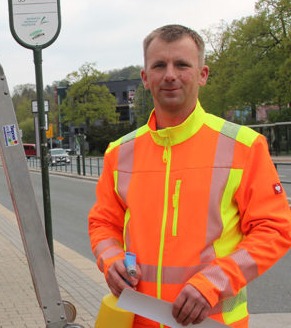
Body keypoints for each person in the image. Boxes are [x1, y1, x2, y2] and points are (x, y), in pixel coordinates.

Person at [88, 24, 291, 327]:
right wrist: (111, 259)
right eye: (159, 65)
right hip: (137, 320)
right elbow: (103, 223)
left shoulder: (243, 146)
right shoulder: (119, 153)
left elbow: (274, 228)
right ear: (145, 78)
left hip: (213, 321)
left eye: (182, 64)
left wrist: (213, 283)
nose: (170, 74)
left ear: (202, 74)